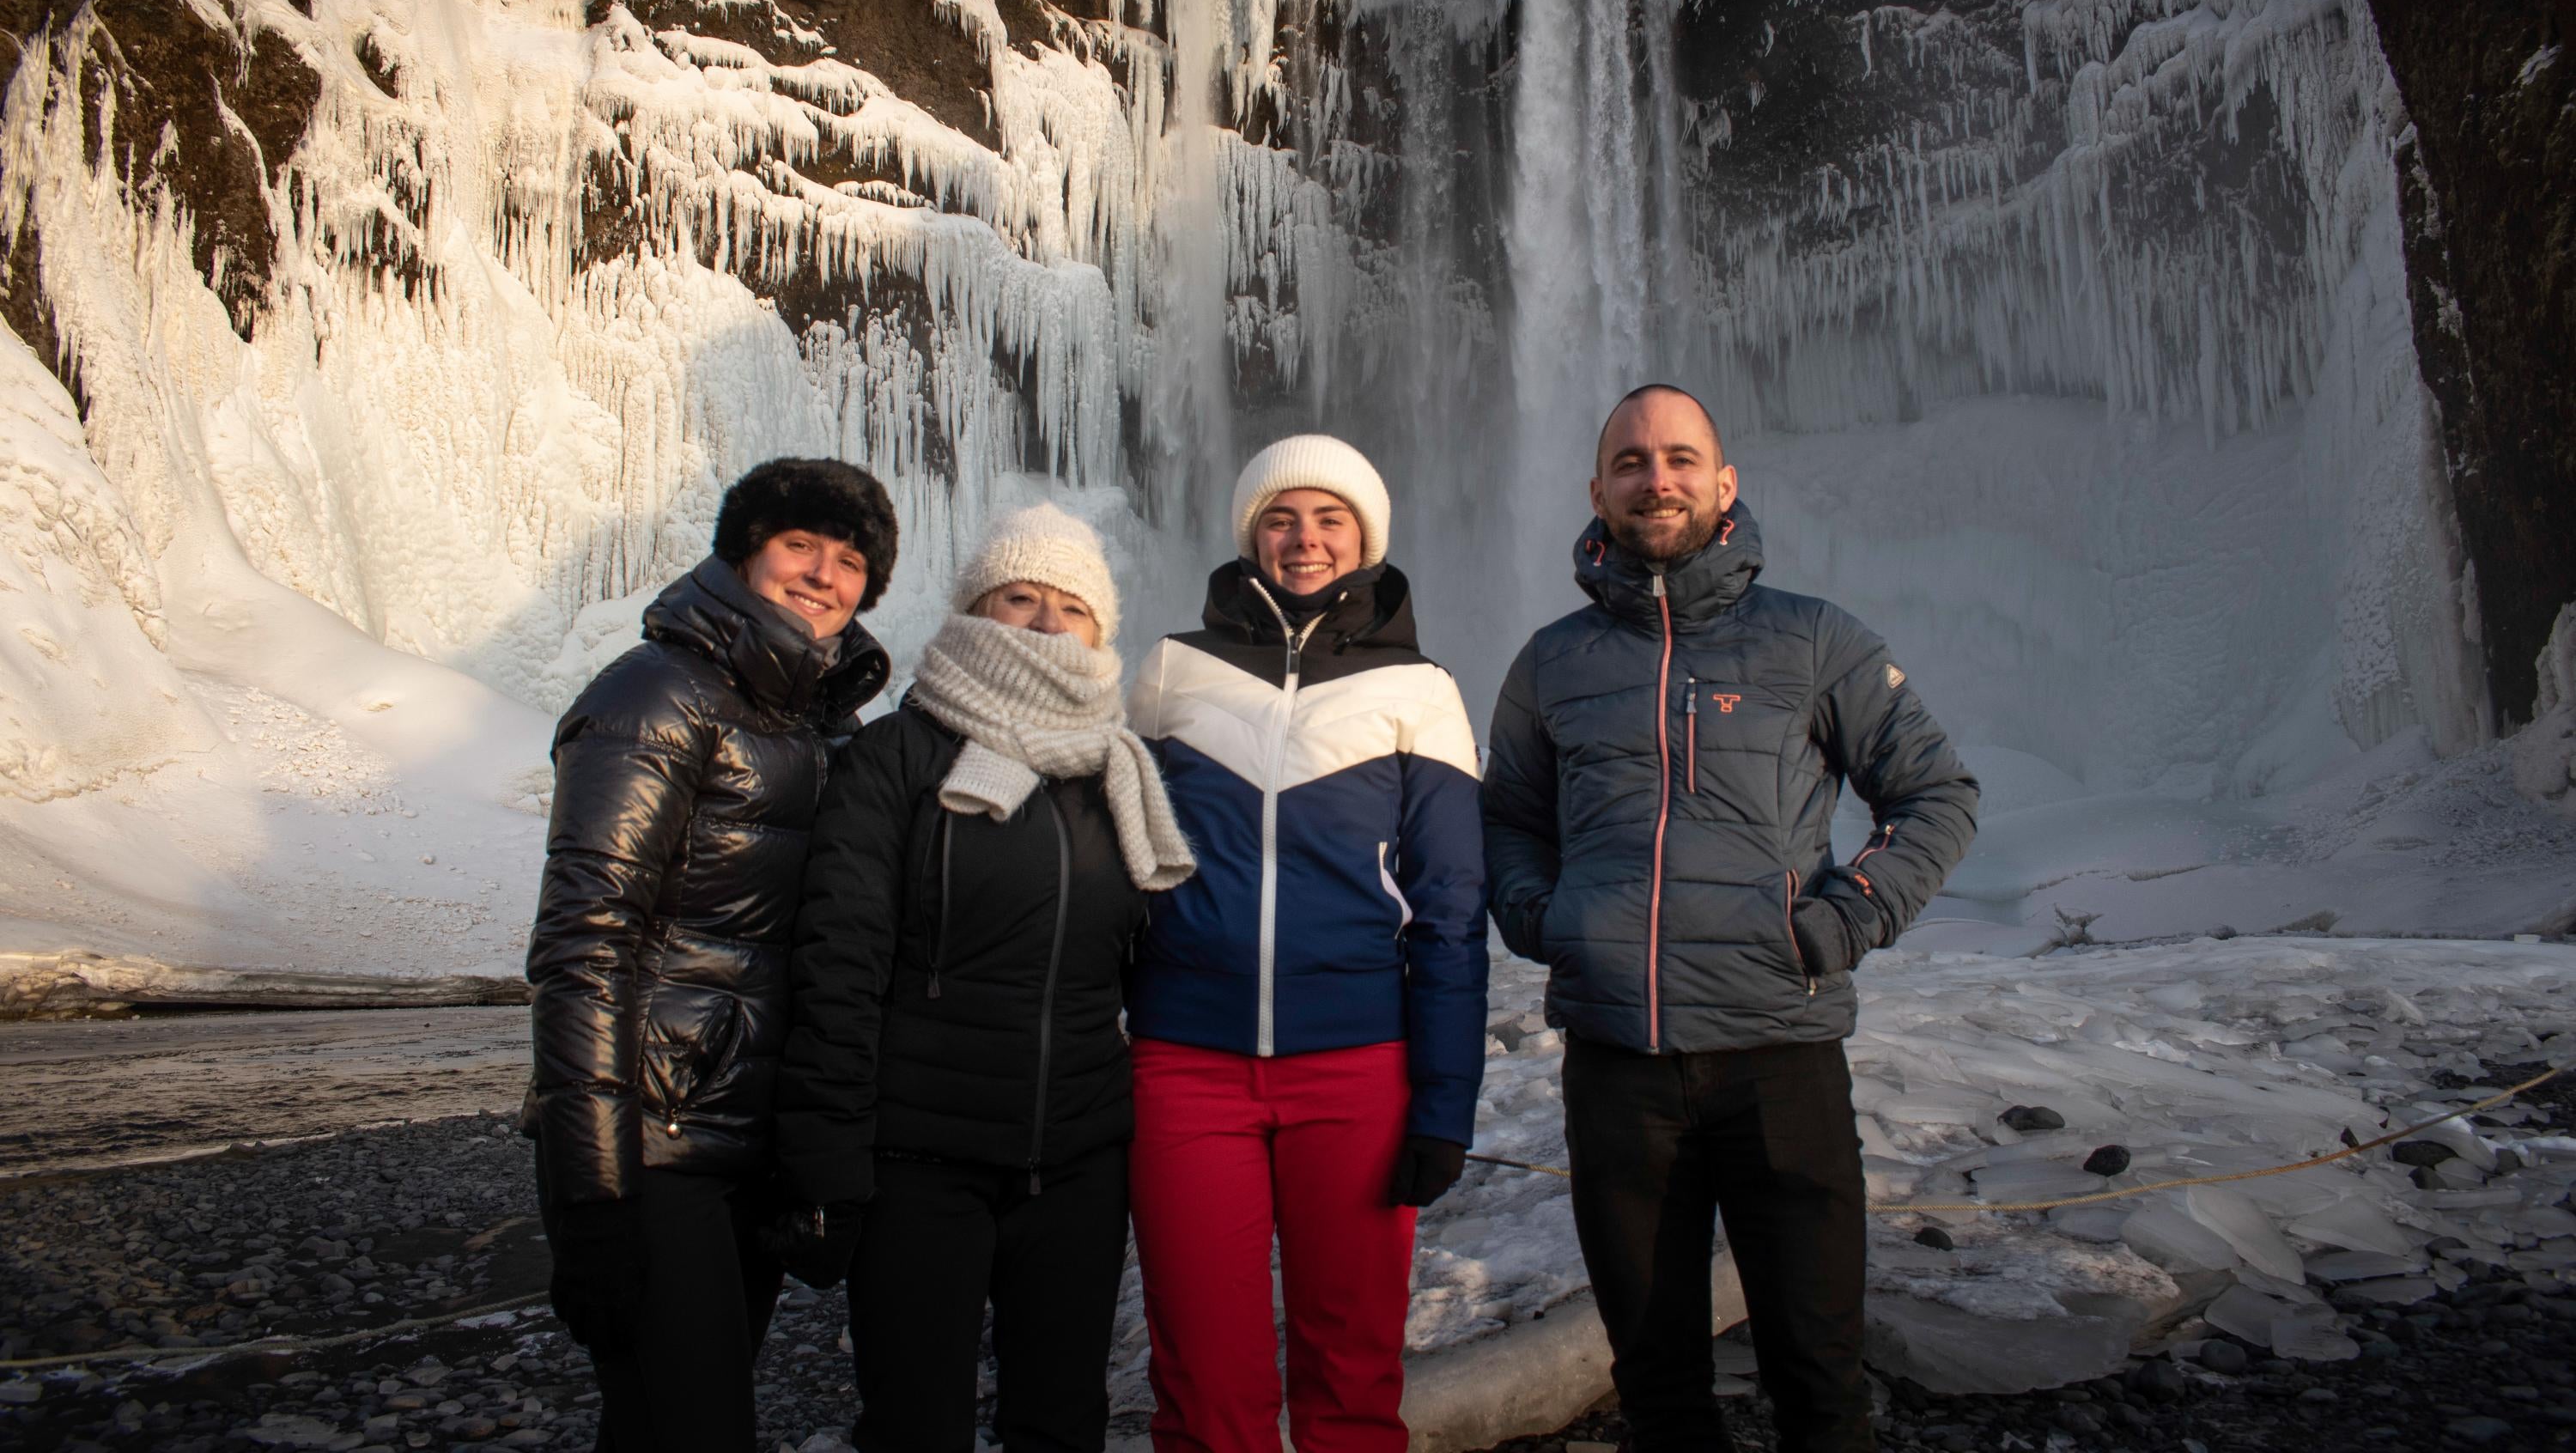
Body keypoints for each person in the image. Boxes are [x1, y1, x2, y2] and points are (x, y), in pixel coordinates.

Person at [1482, 386, 1978, 1453]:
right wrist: (1544, 915)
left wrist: (1842, 919)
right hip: (1619, 1060)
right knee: (1658, 1383)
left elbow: (1938, 794)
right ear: (1598, 490)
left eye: (1678, 457)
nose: (1655, 479)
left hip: (1779, 1053)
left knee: (1819, 1372)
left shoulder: (1814, 642)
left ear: (1724, 482)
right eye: (1630, 461)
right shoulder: (1550, 663)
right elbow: (1508, 821)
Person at [771, 502, 1194, 1453]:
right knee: (916, 1422)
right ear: (973, 609)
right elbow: (838, 963)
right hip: (920, 1160)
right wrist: (827, 1161)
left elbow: (1154, 962)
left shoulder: (1119, 771)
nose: (1047, 623)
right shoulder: (899, 756)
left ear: (1101, 630)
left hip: (1078, 1161)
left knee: (1060, 1418)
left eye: (1072, 606)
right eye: (1020, 597)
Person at [521, 457, 900, 1452]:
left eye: (850, 558)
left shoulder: (823, 722)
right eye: (798, 545)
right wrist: (592, 1192)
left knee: (664, 1422)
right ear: (745, 553)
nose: (822, 572)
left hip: (747, 1132)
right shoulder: (658, 694)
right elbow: (584, 941)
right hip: (654, 1136)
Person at [1125, 433, 1488, 1453]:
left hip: (1360, 1065)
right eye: (1282, 517)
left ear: (1365, 536)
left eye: (1331, 518)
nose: (1305, 538)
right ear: (1252, 533)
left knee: (1353, 1364)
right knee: (1203, 1370)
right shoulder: (1170, 672)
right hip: (1186, 1063)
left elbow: (1453, 907)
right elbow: (1114, 859)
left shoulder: (1421, 689)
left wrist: (1445, 1102)